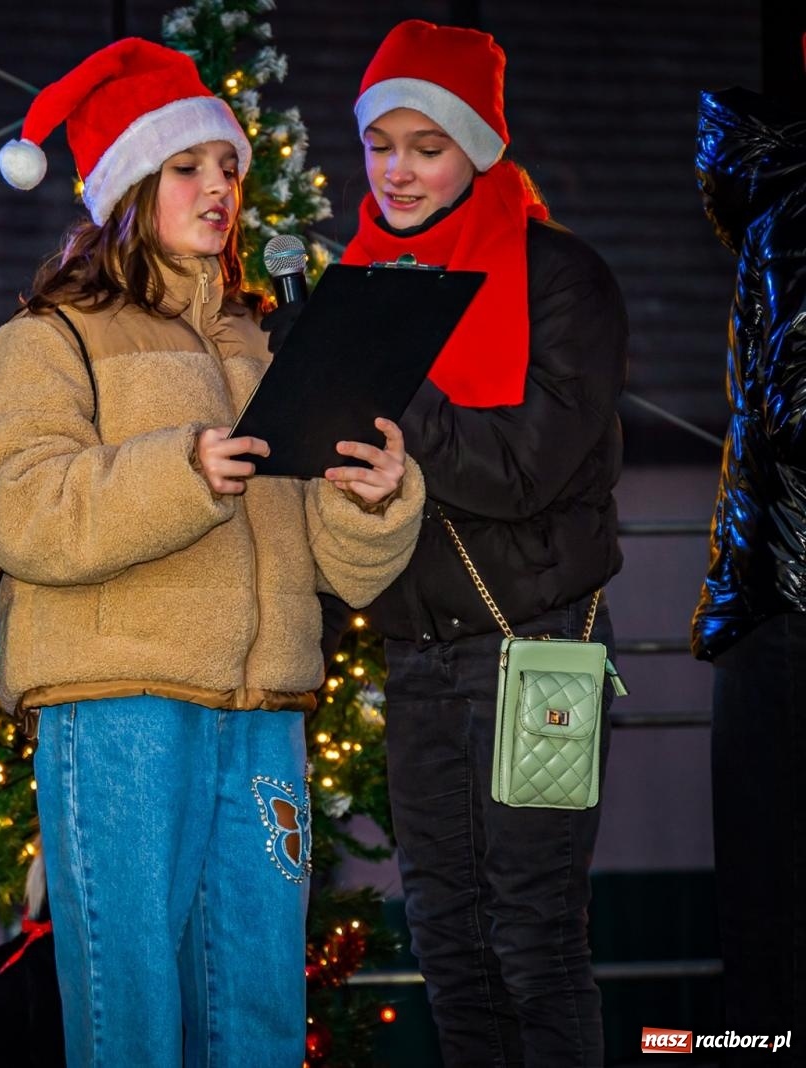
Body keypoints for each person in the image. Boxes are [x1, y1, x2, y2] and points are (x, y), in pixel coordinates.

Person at [0, 38, 425, 1065]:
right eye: (189, 167)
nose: (220, 186)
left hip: (261, 719)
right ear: (130, 183)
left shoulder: (260, 346)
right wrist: (182, 471)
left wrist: (373, 495)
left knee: (259, 1014)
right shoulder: (47, 341)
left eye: (228, 168)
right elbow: (20, 511)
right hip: (119, 709)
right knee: (129, 1017)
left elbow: (342, 567)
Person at [344, 20, 629, 1066]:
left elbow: (526, 470)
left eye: (427, 146)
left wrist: (382, 381)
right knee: (450, 947)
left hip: (537, 651)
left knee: (535, 943)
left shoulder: (561, 279)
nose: (399, 170)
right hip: (417, 659)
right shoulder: (360, 281)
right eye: (381, 144)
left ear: (479, 148)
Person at [691, 84, 806, 1051]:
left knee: (767, 908)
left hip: (768, 589)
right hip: (788, 600)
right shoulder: (799, 215)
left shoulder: (778, 211)